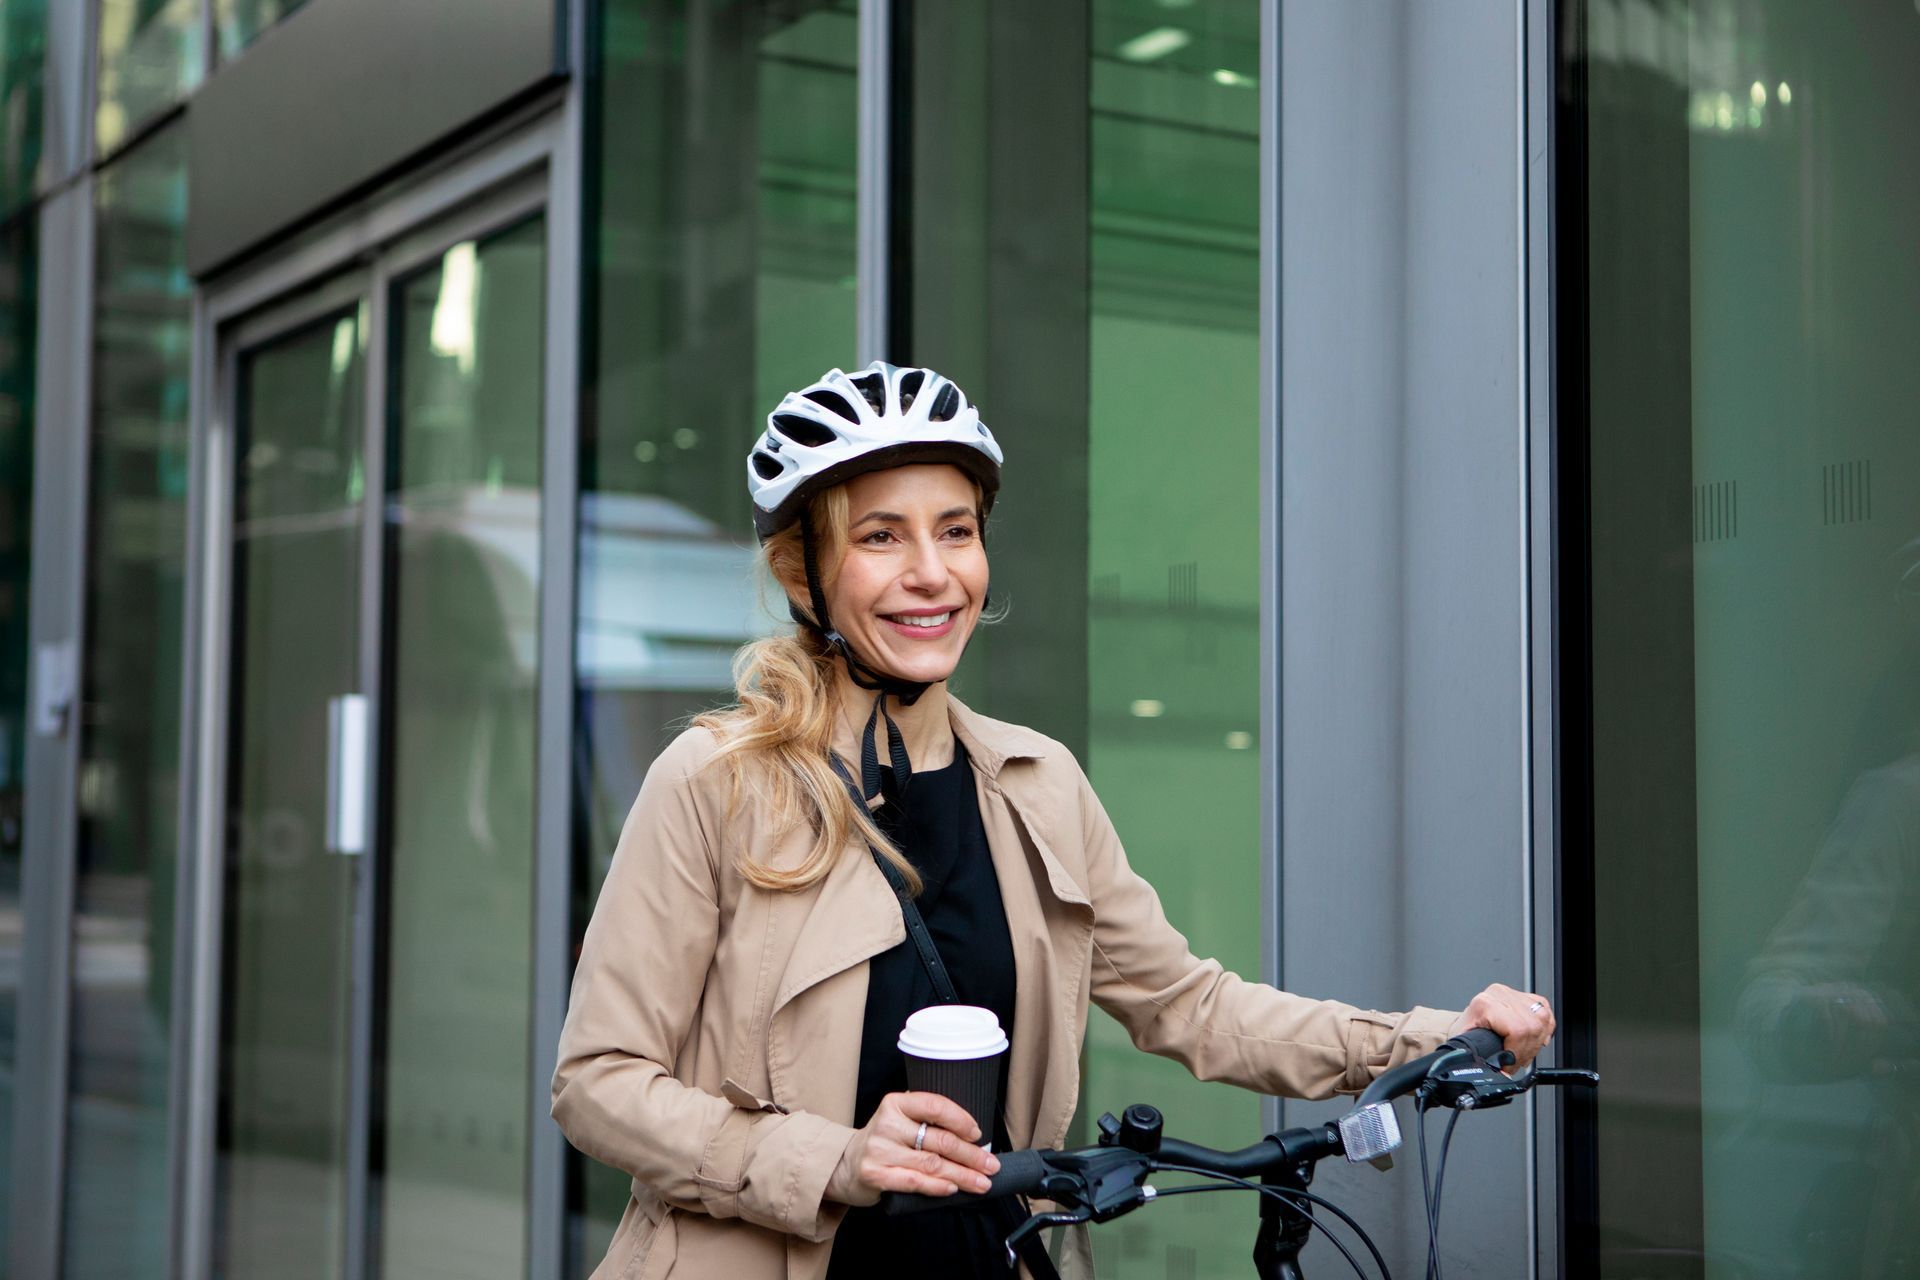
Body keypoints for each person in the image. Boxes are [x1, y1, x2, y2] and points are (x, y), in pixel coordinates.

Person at [551, 362, 1557, 1280]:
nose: (932, 572)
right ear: (802, 572)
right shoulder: (716, 782)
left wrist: (1430, 1037)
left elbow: (1189, 1003)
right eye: (879, 536)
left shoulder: (1038, 783)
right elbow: (596, 1083)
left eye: (955, 529)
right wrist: (838, 1156)